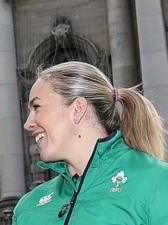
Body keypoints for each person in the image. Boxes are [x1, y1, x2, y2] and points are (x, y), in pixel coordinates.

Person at [12, 61, 168, 225]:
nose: (27, 123)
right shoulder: (27, 208)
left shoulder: (158, 183)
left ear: (78, 109)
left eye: (37, 107)